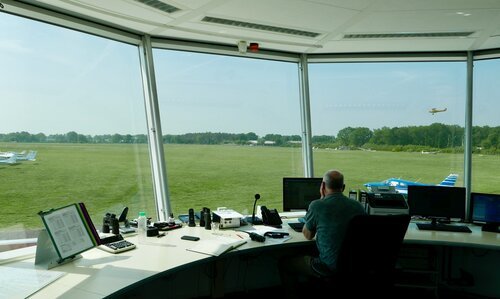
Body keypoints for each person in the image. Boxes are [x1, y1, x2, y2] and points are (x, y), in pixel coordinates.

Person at [279, 169, 366, 294]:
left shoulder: (317, 205)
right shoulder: (358, 206)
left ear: (323, 186)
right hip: (355, 264)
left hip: (329, 266)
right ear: (343, 187)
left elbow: (308, 235)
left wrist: (315, 209)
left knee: (285, 263)